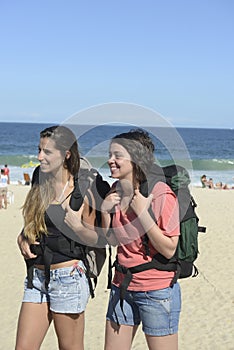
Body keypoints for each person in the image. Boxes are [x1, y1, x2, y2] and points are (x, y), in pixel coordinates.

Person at [15, 125, 100, 350]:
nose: (39, 156)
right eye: (39, 150)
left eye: (47, 152)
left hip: (68, 277)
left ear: (66, 154)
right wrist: (22, 238)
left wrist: (77, 227)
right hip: (36, 276)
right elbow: (33, 224)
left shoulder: (82, 185)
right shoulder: (38, 177)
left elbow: (95, 238)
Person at [101, 129, 181, 350]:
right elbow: (114, 241)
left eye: (117, 155)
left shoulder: (161, 194)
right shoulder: (115, 190)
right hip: (121, 286)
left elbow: (169, 249)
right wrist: (104, 211)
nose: (110, 160)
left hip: (156, 291)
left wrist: (142, 213)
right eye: (110, 154)